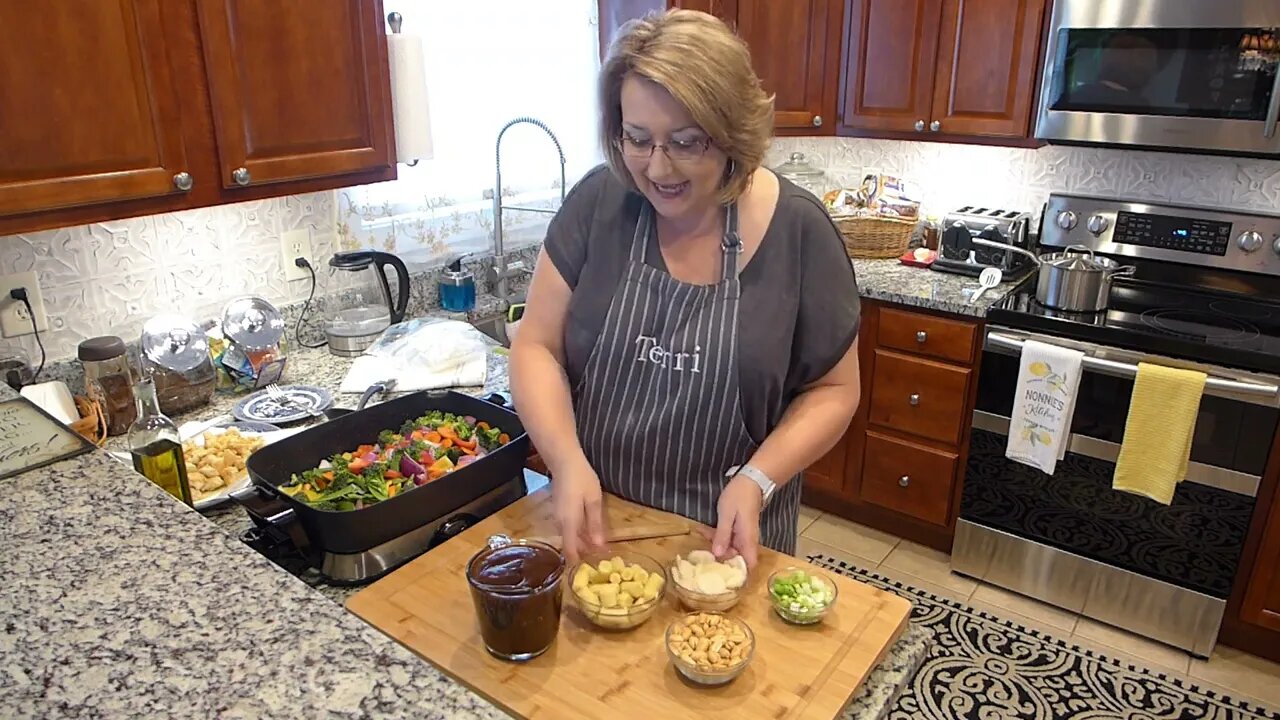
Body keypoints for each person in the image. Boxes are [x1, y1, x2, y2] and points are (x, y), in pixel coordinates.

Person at [510, 9, 862, 567]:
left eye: (686, 141)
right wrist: (567, 460)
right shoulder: (599, 204)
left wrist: (757, 480)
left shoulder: (798, 230)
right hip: (600, 529)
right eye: (637, 138)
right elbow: (536, 346)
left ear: (732, 135)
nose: (658, 167)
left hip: (726, 547)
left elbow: (835, 391)